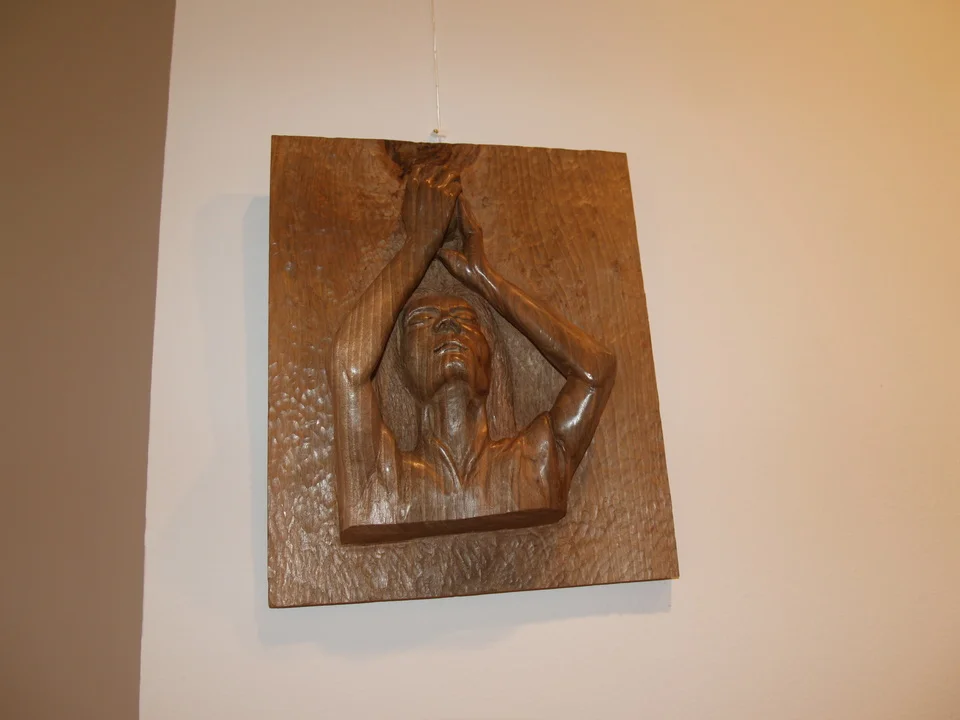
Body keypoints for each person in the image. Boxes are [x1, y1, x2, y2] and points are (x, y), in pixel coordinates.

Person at [329, 164, 616, 543]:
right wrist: (418, 246)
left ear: (490, 357)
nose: (449, 327)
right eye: (423, 321)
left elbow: (595, 372)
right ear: (401, 364)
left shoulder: (533, 463)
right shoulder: (383, 479)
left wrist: (485, 279)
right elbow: (348, 368)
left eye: (466, 320)